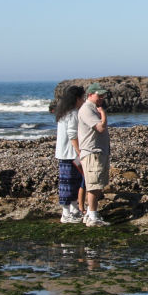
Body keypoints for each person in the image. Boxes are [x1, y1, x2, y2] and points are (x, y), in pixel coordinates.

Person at [77, 82, 111, 227]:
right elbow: (100, 127)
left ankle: (92, 214)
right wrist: (103, 114)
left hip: (98, 152)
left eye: (103, 95)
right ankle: (92, 216)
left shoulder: (92, 108)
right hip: (92, 153)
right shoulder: (86, 109)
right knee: (93, 186)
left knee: (97, 185)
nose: (102, 98)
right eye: (99, 95)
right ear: (90, 94)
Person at [54, 85, 86, 224]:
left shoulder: (63, 113)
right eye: (82, 98)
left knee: (73, 182)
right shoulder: (72, 114)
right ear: (77, 98)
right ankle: (66, 214)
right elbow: (72, 134)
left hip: (65, 153)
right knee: (68, 184)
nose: (83, 100)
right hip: (70, 154)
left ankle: (73, 211)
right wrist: (80, 152)